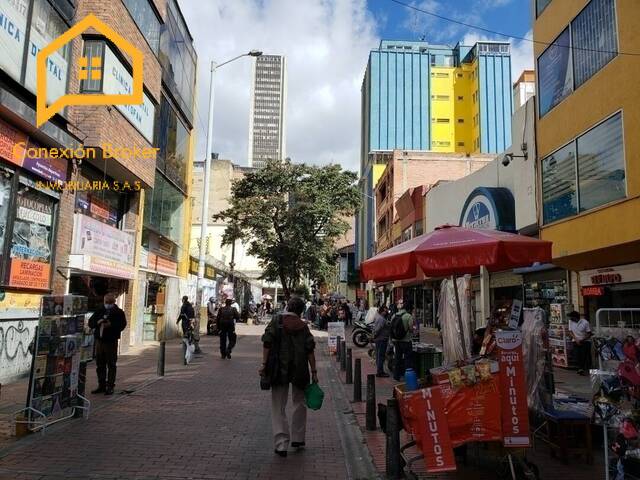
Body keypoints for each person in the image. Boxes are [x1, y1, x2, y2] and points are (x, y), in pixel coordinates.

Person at [260, 296, 317, 457]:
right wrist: (314, 372)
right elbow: (310, 350)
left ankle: (281, 444)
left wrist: (264, 365)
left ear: (288, 307)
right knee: (300, 403)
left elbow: (267, 343)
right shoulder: (303, 327)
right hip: (300, 369)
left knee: (278, 405)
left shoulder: (277, 321)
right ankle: (298, 438)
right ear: (300, 310)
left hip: (279, 369)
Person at [88, 293, 127, 395]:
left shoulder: (119, 312)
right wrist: (98, 322)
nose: (108, 304)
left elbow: (122, 325)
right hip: (100, 340)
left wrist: (111, 325)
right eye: (106, 302)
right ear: (104, 302)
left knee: (111, 364)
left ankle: (110, 386)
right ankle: (101, 385)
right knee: (100, 364)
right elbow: (90, 322)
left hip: (111, 341)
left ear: (114, 302)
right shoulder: (99, 310)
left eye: (110, 302)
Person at [391, 299, 415, 381]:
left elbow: (392, 327)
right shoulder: (408, 316)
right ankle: (408, 376)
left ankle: (396, 376)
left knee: (398, 358)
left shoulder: (394, 315)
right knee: (408, 358)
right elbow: (411, 329)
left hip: (397, 341)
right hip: (406, 341)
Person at [568, 311, 593, 375]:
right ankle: (580, 368)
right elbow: (570, 331)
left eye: (571, 318)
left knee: (584, 355)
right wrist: (576, 339)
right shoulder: (570, 322)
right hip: (576, 340)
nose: (570, 319)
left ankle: (585, 368)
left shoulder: (585, 322)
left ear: (575, 318)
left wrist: (582, 340)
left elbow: (589, 333)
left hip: (585, 341)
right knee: (577, 355)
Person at [372, 305, 390, 377]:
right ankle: (380, 371)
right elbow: (377, 329)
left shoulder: (379, 317)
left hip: (380, 339)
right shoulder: (381, 319)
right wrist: (374, 336)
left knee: (379, 355)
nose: (386, 313)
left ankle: (380, 370)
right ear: (382, 311)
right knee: (380, 356)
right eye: (385, 311)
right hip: (381, 339)